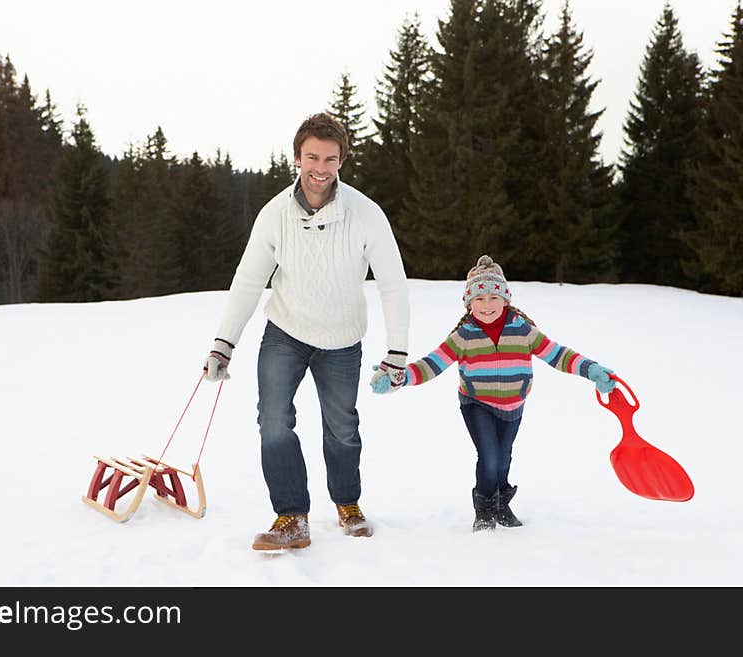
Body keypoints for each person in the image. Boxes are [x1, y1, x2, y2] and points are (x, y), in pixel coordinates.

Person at [203, 112, 410, 551]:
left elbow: (392, 282)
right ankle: (291, 517)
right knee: (274, 422)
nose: (320, 167)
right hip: (286, 332)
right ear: (296, 158)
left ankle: (347, 503)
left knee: (342, 429)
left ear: (341, 161)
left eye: (330, 159)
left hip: (341, 339)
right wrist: (224, 343)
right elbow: (248, 279)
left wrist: (397, 352)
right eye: (311, 157)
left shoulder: (365, 214)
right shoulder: (274, 214)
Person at [371, 254, 617, 532]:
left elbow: (558, 355)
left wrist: (592, 370)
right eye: (479, 299)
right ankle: (485, 509)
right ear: (469, 303)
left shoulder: (523, 330)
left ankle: (501, 503)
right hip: (477, 403)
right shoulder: (464, 335)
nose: (486, 305)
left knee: (504, 456)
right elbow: (433, 364)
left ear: (505, 299)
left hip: (514, 405)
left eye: (493, 298)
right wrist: (398, 378)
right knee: (489, 456)